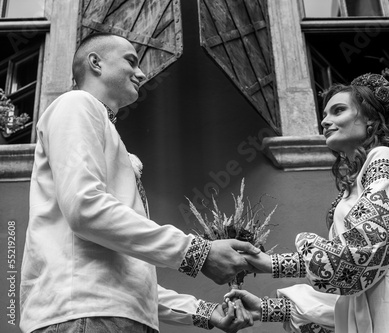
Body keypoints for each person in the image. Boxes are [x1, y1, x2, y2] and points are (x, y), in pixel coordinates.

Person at [20, 32, 258, 333]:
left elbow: (130, 280)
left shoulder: (105, 132)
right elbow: (84, 208)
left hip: (108, 317)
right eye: (131, 61)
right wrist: (199, 253)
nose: (142, 73)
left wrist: (207, 312)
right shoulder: (75, 104)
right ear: (96, 63)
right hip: (83, 316)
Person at [226, 73, 389, 333]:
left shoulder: (383, 157)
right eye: (324, 114)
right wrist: (265, 304)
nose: (324, 121)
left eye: (338, 110)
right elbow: (345, 288)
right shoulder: (354, 183)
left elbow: (359, 256)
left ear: (371, 120)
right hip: (361, 309)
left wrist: (270, 263)